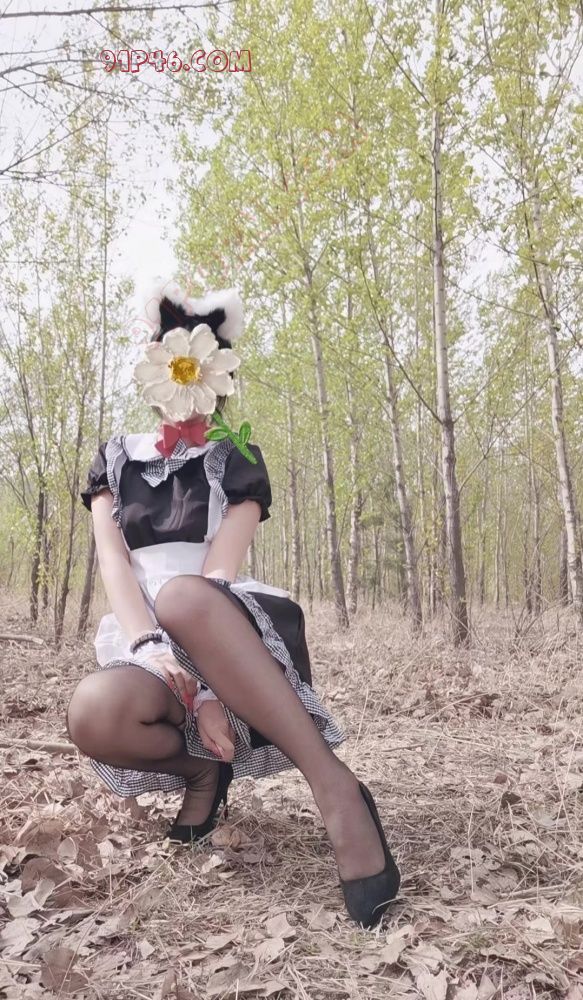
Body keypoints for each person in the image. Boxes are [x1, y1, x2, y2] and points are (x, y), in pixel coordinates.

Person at [66, 278, 401, 928]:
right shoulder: (114, 459)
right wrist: (164, 662)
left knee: (187, 595)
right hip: (148, 642)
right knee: (93, 711)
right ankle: (201, 773)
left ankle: (333, 786)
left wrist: (211, 686)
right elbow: (115, 566)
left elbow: (219, 571)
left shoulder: (236, 459)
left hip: (225, 625)